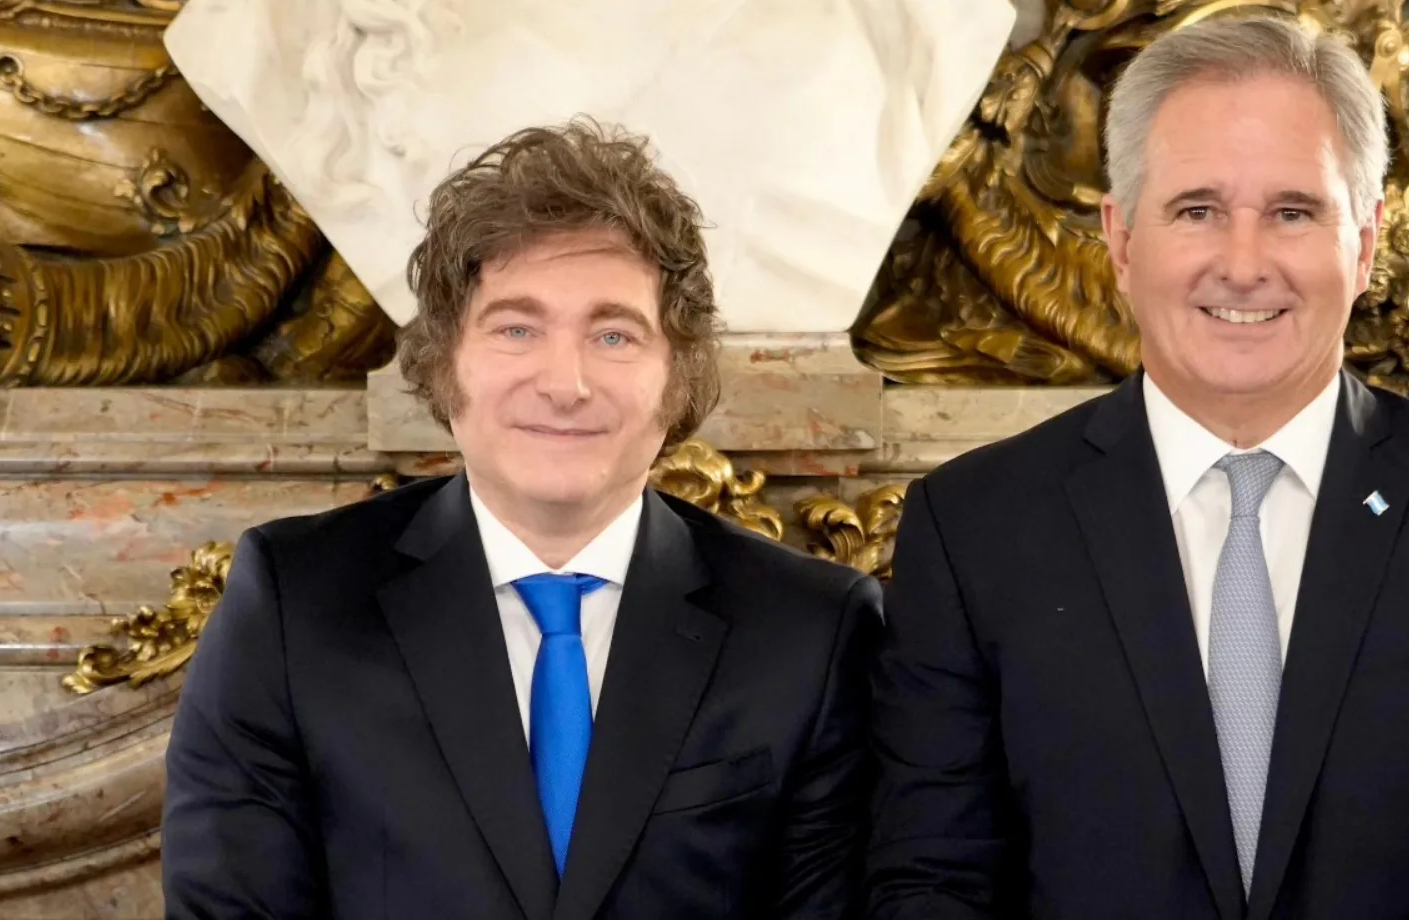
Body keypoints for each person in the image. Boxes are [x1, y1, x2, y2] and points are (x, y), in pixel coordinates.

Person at [865, 16, 1409, 920]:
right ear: (1122, 241)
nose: (1243, 265)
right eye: (1197, 210)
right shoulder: (976, 527)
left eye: (1293, 212)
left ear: (1365, 243)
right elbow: (931, 884)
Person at [162, 119, 882, 920]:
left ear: (677, 375)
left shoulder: (810, 629)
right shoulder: (294, 602)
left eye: (614, 334)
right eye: (516, 328)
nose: (564, 382)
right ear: (446, 361)